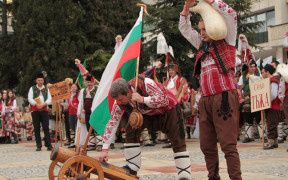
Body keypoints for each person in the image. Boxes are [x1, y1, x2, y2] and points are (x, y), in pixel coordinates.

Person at [179, 0, 241, 179]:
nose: (202, 33)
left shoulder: (228, 40)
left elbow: (232, 14)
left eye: (205, 29)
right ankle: (213, 177)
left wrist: (211, 1)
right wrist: (186, 8)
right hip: (205, 100)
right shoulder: (201, 44)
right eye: (200, 30)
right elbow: (184, 29)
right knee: (206, 145)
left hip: (224, 97)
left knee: (228, 145)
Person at [99, 78, 191, 179]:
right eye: (116, 100)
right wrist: (105, 148)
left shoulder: (145, 83)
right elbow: (112, 122)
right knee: (130, 130)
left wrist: (142, 99)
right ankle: (131, 168)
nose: (118, 102)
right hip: (146, 114)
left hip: (169, 110)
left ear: (129, 92)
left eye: (120, 99)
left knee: (178, 140)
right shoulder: (119, 103)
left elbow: (163, 99)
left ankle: (184, 174)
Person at [237, 60, 262, 143]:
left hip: (257, 98)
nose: (253, 68)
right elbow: (238, 87)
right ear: (248, 67)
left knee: (259, 118)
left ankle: (263, 136)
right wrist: (240, 97)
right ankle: (249, 136)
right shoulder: (243, 76)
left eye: (254, 66)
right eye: (251, 66)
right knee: (248, 118)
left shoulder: (259, 75)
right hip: (247, 99)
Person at [28, 72, 52, 151]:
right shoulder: (32, 88)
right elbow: (30, 98)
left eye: (41, 80)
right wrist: (35, 104)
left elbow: (49, 99)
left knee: (46, 127)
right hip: (35, 110)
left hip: (44, 110)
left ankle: (48, 144)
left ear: (43, 80)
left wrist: (44, 104)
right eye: (38, 80)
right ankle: (39, 145)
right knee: (37, 128)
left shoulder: (46, 89)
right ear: (36, 81)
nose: (40, 82)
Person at [262, 64, 281, 149]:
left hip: (273, 106)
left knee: (271, 125)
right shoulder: (268, 80)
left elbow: (273, 94)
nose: (262, 74)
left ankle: (270, 142)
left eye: (263, 72)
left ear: (268, 72)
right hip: (271, 106)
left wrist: (265, 101)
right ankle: (275, 142)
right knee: (272, 124)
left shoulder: (273, 81)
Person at [67, 83, 80, 148]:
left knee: (78, 127)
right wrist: (60, 103)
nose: (73, 88)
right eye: (72, 87)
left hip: (77, 112)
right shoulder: (69, 95)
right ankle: (72, 142)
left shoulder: (79, 94)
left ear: (77, 88)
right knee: (72, 128)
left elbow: (81, 102)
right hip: (70, 112)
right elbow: (67, 105)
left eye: (75, 87)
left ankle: (78, 142)